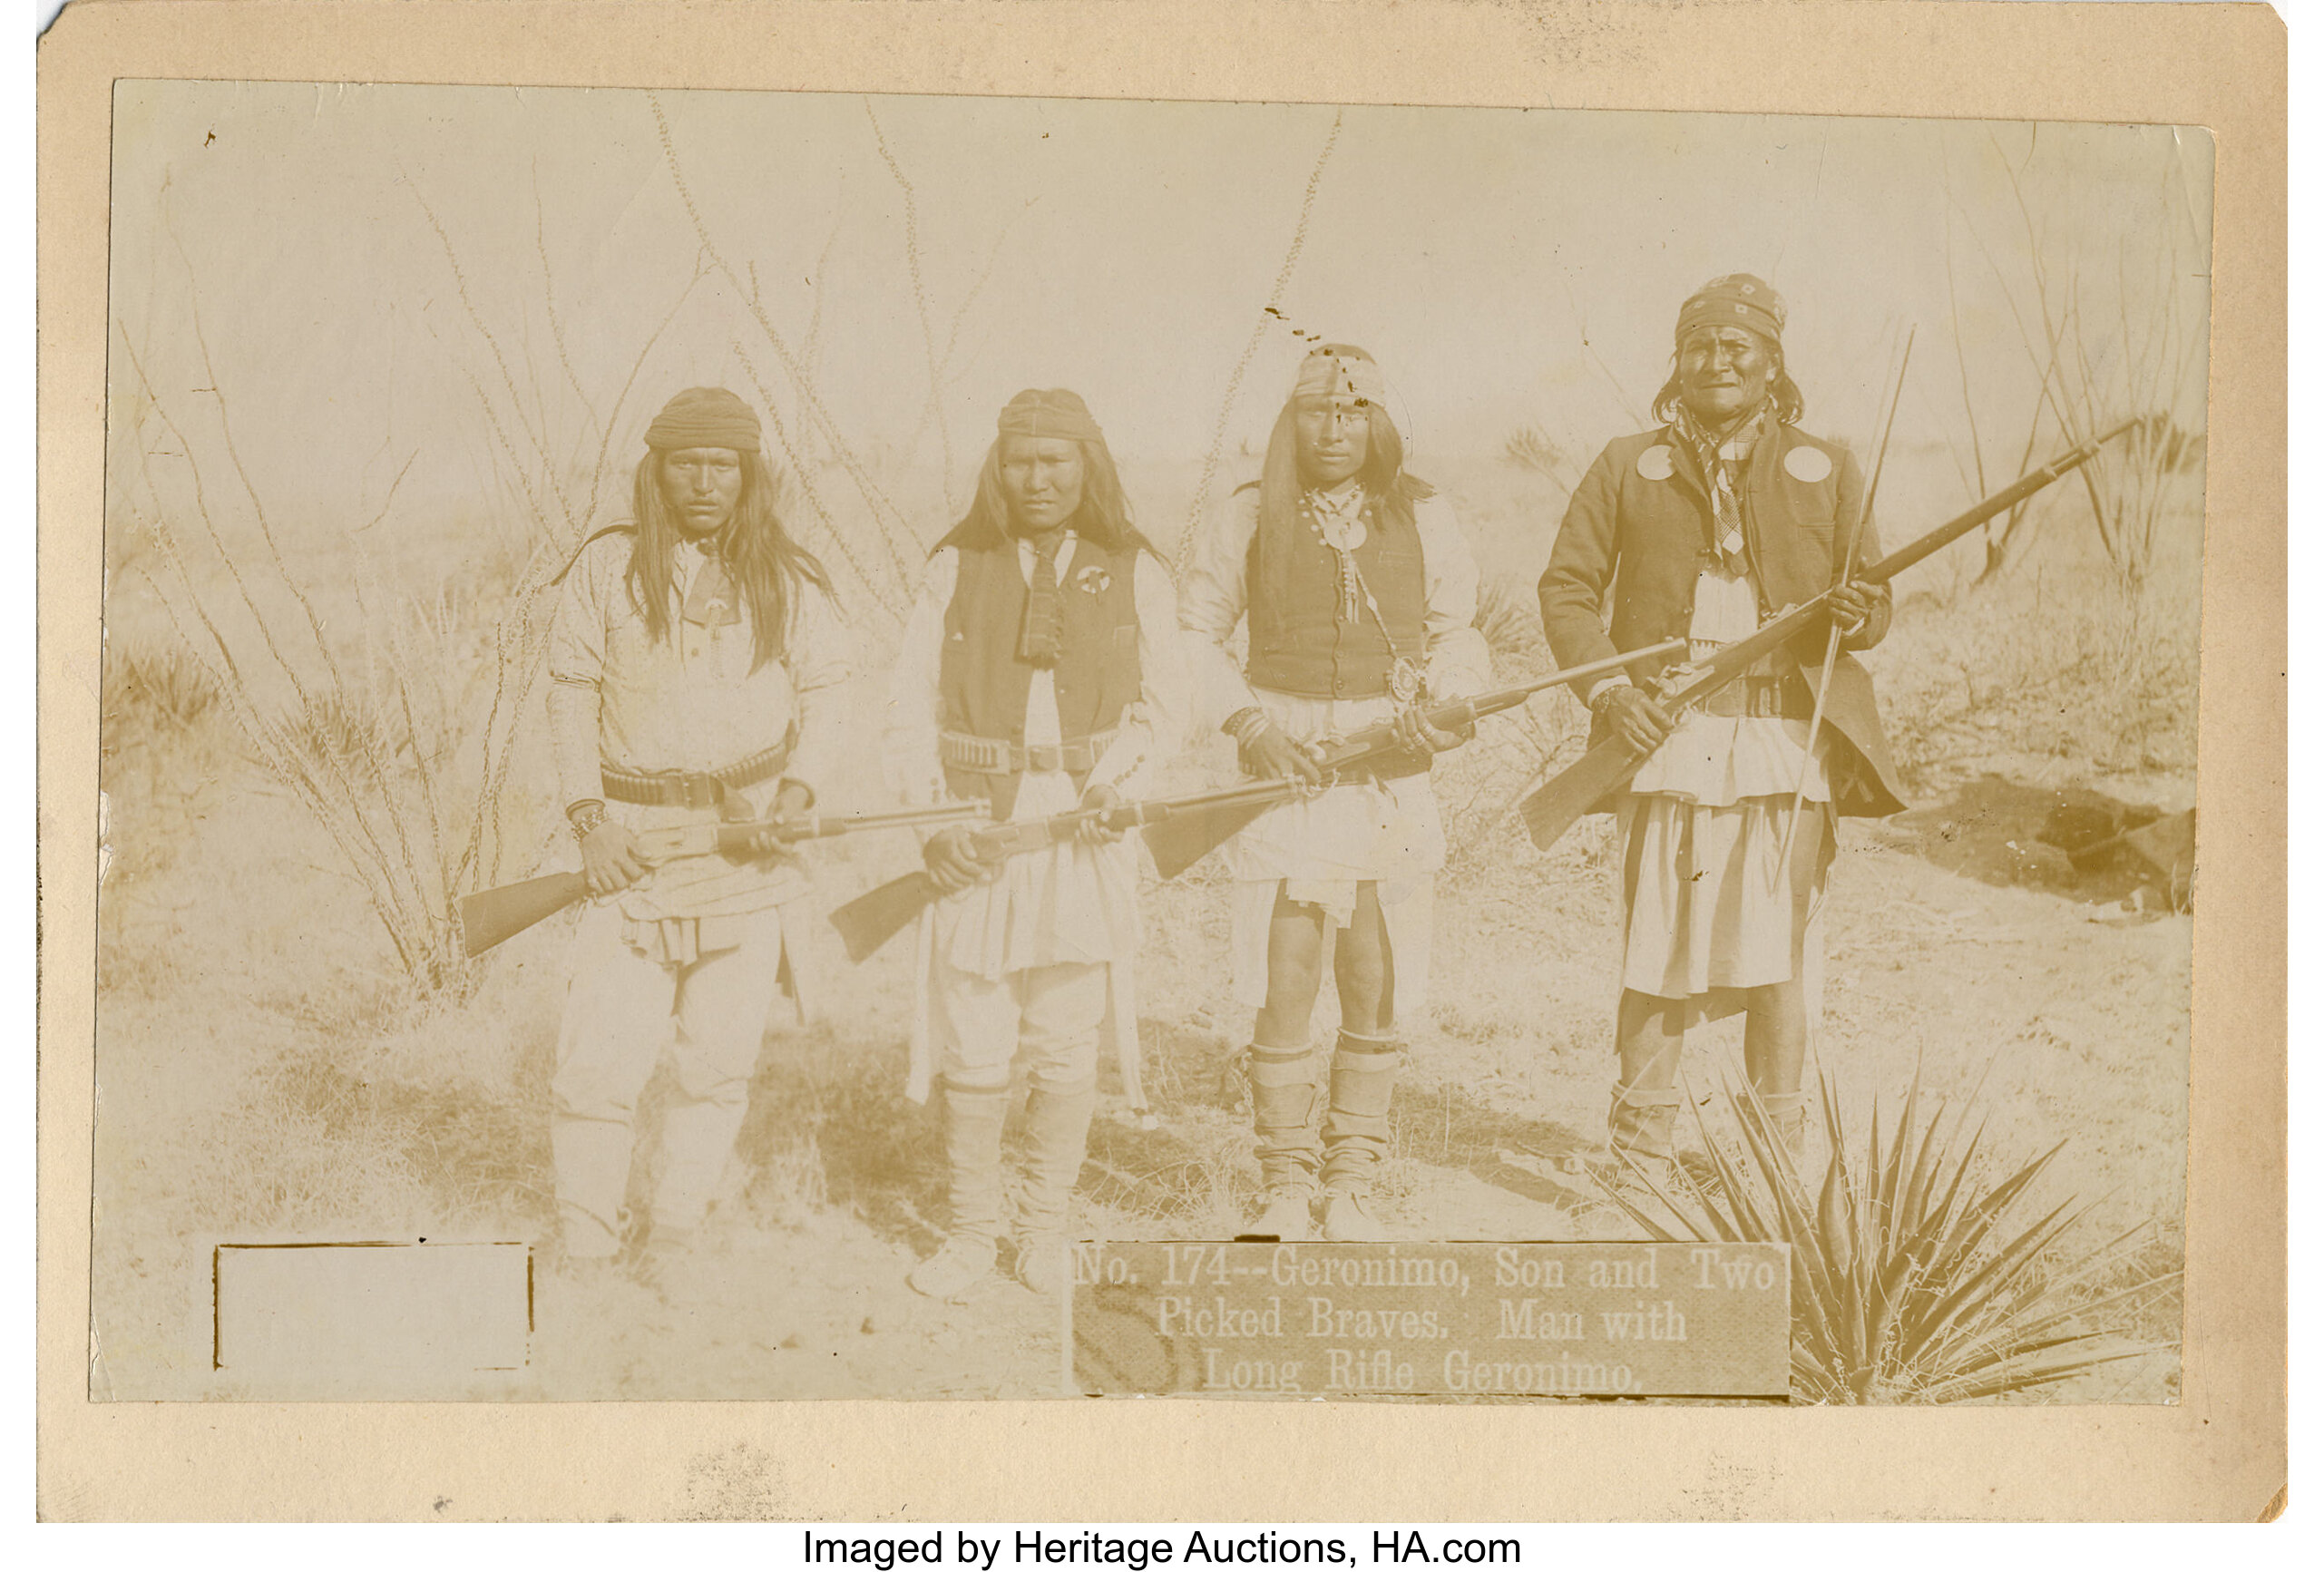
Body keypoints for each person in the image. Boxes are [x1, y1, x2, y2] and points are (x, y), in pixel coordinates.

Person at [1537, 275, 1907, 1187]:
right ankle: (1638, 1164)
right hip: (1666, 740)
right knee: (1655, 949)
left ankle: (1774, 1174)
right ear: (1678, 361)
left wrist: (1858, 612)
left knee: (1778, 957)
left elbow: (1874, 600)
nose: (1718, 361)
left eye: (1738, 345)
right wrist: (1614, 690)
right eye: (1699, 344)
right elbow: (1567, 591)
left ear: (1773, 362)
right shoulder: (1627, 463)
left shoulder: (1829, 464)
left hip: (1785, 742)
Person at [1180, 344, 1490, 1243]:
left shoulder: (1424, 513)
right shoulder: (1248, 515)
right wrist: (1250, 726)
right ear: (1292, 419)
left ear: (1377, 422)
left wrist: (1448, 701)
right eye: (1317, 411)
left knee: (1372, 970)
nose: (1335, 429)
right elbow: (1193, 635)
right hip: (1284, 769)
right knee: (1286, 974)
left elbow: (1456, 632)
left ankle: (1352, 1175)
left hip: (1386, 767)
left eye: (1353, 413)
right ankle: (1282, 1180)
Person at [884, 388, 1186, 1301]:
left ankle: (1044, 1229)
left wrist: (1120, 785)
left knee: (1064, 1035)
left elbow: (1173, 705)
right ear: (997, 467)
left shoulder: (1136, 566)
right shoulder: (955, 564)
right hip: (977, 819)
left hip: (1085, 825)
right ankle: (974, 1232)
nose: (1038, 477)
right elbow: (902, 704)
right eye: (1021, 460)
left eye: (1057, 460)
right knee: (974, 1030)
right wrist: (934, 820)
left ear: (1088, 466)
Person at [544, 386, 852, 1269]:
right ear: (659, 470)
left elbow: (832, 685)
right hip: (631, 850)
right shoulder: (607, 569)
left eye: (724, 465)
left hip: (747, 847)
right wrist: (590, 825)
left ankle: (676, 1224)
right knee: (600, 1061)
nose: (707, 482)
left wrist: (801, 788)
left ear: (748, 474)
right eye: (689, 464)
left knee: (715, 1059)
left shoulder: (785, 575)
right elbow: (569, 698)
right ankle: (587, 1237)